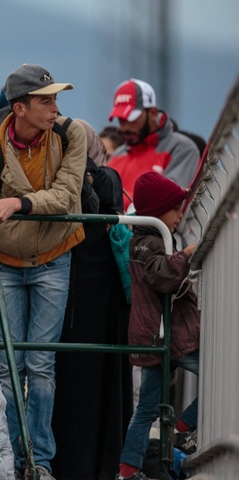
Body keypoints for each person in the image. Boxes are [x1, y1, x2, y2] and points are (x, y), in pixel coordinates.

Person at [0, 64, 86, 480]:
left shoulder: (71, 134)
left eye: (55, 99)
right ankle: (9, 459)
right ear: (19, 108)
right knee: (9, 366)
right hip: (4, 261)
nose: (55, 107)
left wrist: (16, 203)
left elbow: (67, 197)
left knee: (39, 365)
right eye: (46, 100)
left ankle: (39, 462)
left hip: (53, 258)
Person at [51, 120, 133, 480]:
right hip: (102, 309)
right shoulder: (107, 178)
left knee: (57, 381)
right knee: (104, 389)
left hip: (61, 302)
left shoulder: (56, 181)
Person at [115, 172, 200, 480]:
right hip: (168, 336)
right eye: (175, 208)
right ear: (158, 211)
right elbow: (161, 278)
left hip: (159, 336)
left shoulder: (145, 240)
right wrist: (185, 255)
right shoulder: (148, 243)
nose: (180, 215)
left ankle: (127, 470)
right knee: (220, 374)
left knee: (145, 410)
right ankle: (182, 429)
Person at [107, 79, 200, 211]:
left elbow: (166, 202)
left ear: (152, 113)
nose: (125, 127)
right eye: (121, 119)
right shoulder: (118, 155)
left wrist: (112, 202)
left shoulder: (182, 149)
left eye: (132, 118)